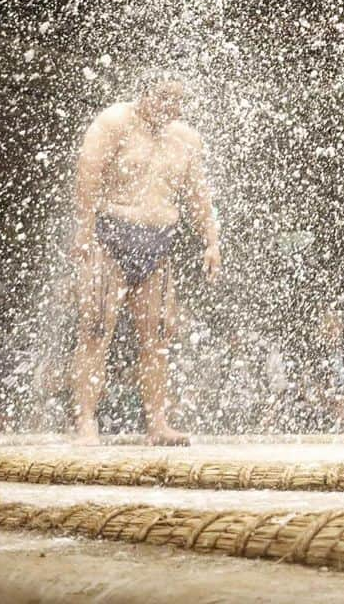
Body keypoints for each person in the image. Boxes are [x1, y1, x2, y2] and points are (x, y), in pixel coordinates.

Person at [70, 73, 221, 444]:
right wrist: (84, 231)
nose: (169, 106)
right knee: (95, 330)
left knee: (157, 336)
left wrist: (211, 241)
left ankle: (157, 423)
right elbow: (87, 174)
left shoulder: (185, 140)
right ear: (144, 92)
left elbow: (199, 194)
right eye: (163, 97)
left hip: (158, 241)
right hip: (111, 234)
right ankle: (86, 420)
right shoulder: (114, 122)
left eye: (176, 100)